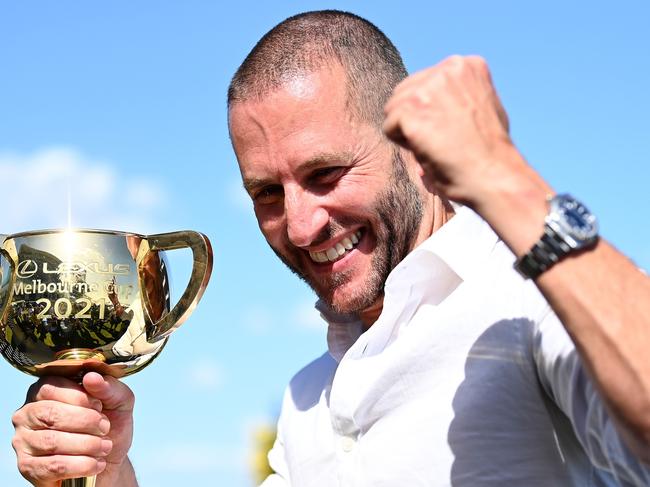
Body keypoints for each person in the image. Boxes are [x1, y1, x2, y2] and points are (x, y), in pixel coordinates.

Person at [11, 10, 650, 486]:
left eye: (325, 175)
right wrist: (110, 469)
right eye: (265, 192)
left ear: (412, 149)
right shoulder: (309, 399)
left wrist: (507, 179)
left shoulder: (527, 306)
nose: (298, 225)